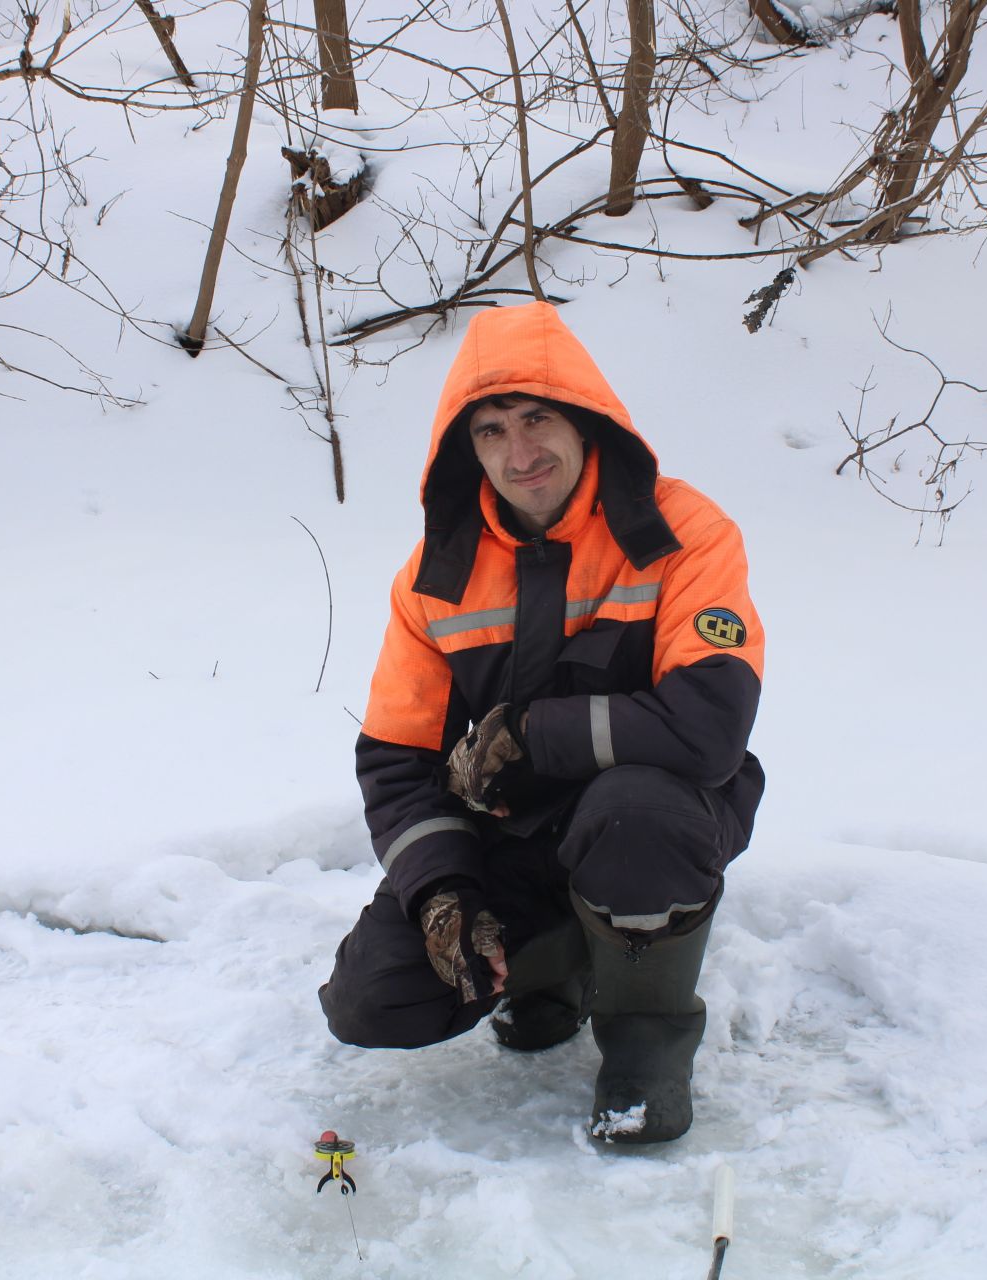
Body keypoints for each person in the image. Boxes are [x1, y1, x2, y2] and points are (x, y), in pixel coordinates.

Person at [318, 302, 765, 1144]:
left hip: (656, 817)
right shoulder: (431, 579)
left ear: (585, 419)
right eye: (490, 431)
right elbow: (394, 762)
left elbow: (709, 728)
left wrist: (531, 737)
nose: (519, 453)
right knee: (374, 998)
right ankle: (562, 964)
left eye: (536, 418)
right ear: (466, 450)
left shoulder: (685, 534)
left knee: (633, 813)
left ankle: (644, 1043)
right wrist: (442, 889)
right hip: (512, 841)